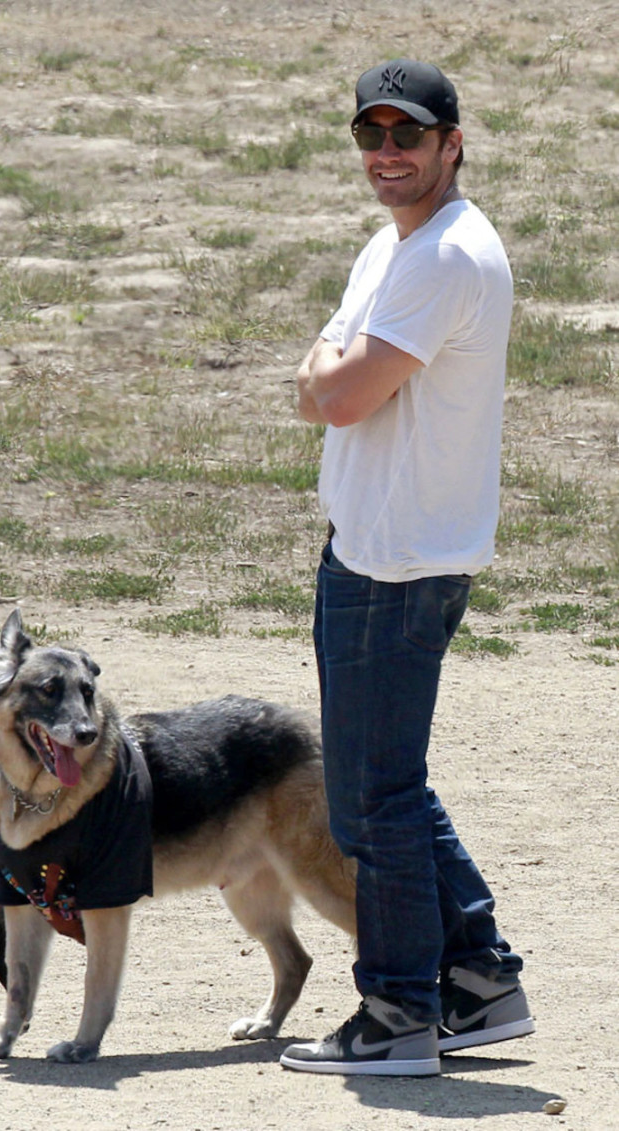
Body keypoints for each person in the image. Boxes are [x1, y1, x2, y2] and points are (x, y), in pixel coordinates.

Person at [279, 58, 534, 1077]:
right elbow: (334, 375)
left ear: (451, 142)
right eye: (370, 136)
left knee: (371, 800)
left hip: (397, 562)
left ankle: (396, 1018)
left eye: (408, 137)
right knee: (386, 786)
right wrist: (330, 375)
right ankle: (477, 983)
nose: (387, 155)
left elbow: (334, 394)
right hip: (379, 546)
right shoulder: (396, 246)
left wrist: (326, 379)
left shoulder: (442, 259)